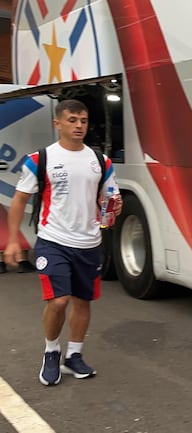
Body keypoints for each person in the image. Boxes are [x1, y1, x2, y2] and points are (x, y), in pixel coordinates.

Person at [4, 99, 122, 386]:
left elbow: (109, 199)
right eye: (72, 120)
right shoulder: (39, 159)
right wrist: (12, 241)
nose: (79, 125)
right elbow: (19, 200)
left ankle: (74, 356)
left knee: (83, 302)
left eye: (83, 120)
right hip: (53, 241)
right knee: (59, 300)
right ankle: (52, 351)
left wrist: (112, 209)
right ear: (57, 123)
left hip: (90, 243)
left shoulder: (100, 161)